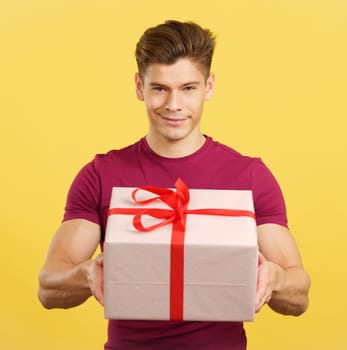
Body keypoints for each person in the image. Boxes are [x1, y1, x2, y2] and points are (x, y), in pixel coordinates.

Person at [38, 20, 310, 349]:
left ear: (209, 86)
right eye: (159, 88)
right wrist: (85, 274)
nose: (174, 104)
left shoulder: (248, 176)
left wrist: (275, 279)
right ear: (140, 86)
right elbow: (48, 287)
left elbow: (299, 294)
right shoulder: (102, 175)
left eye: (188, 88)